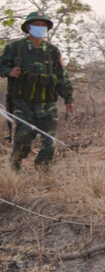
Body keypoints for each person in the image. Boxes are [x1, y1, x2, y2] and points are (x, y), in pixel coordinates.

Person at [0, 11, 74, 170]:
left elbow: (61, 76)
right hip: (22, 103)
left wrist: (68, 98)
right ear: (28, 27)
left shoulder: (52, 51)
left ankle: (43, 171)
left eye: (43, 25)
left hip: (47, 103)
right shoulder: (14, 48)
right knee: (23, 138)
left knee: (49, 140)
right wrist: (9, 71)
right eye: (37, 25)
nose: (40, 28)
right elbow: (2, 65)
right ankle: (14, 168)